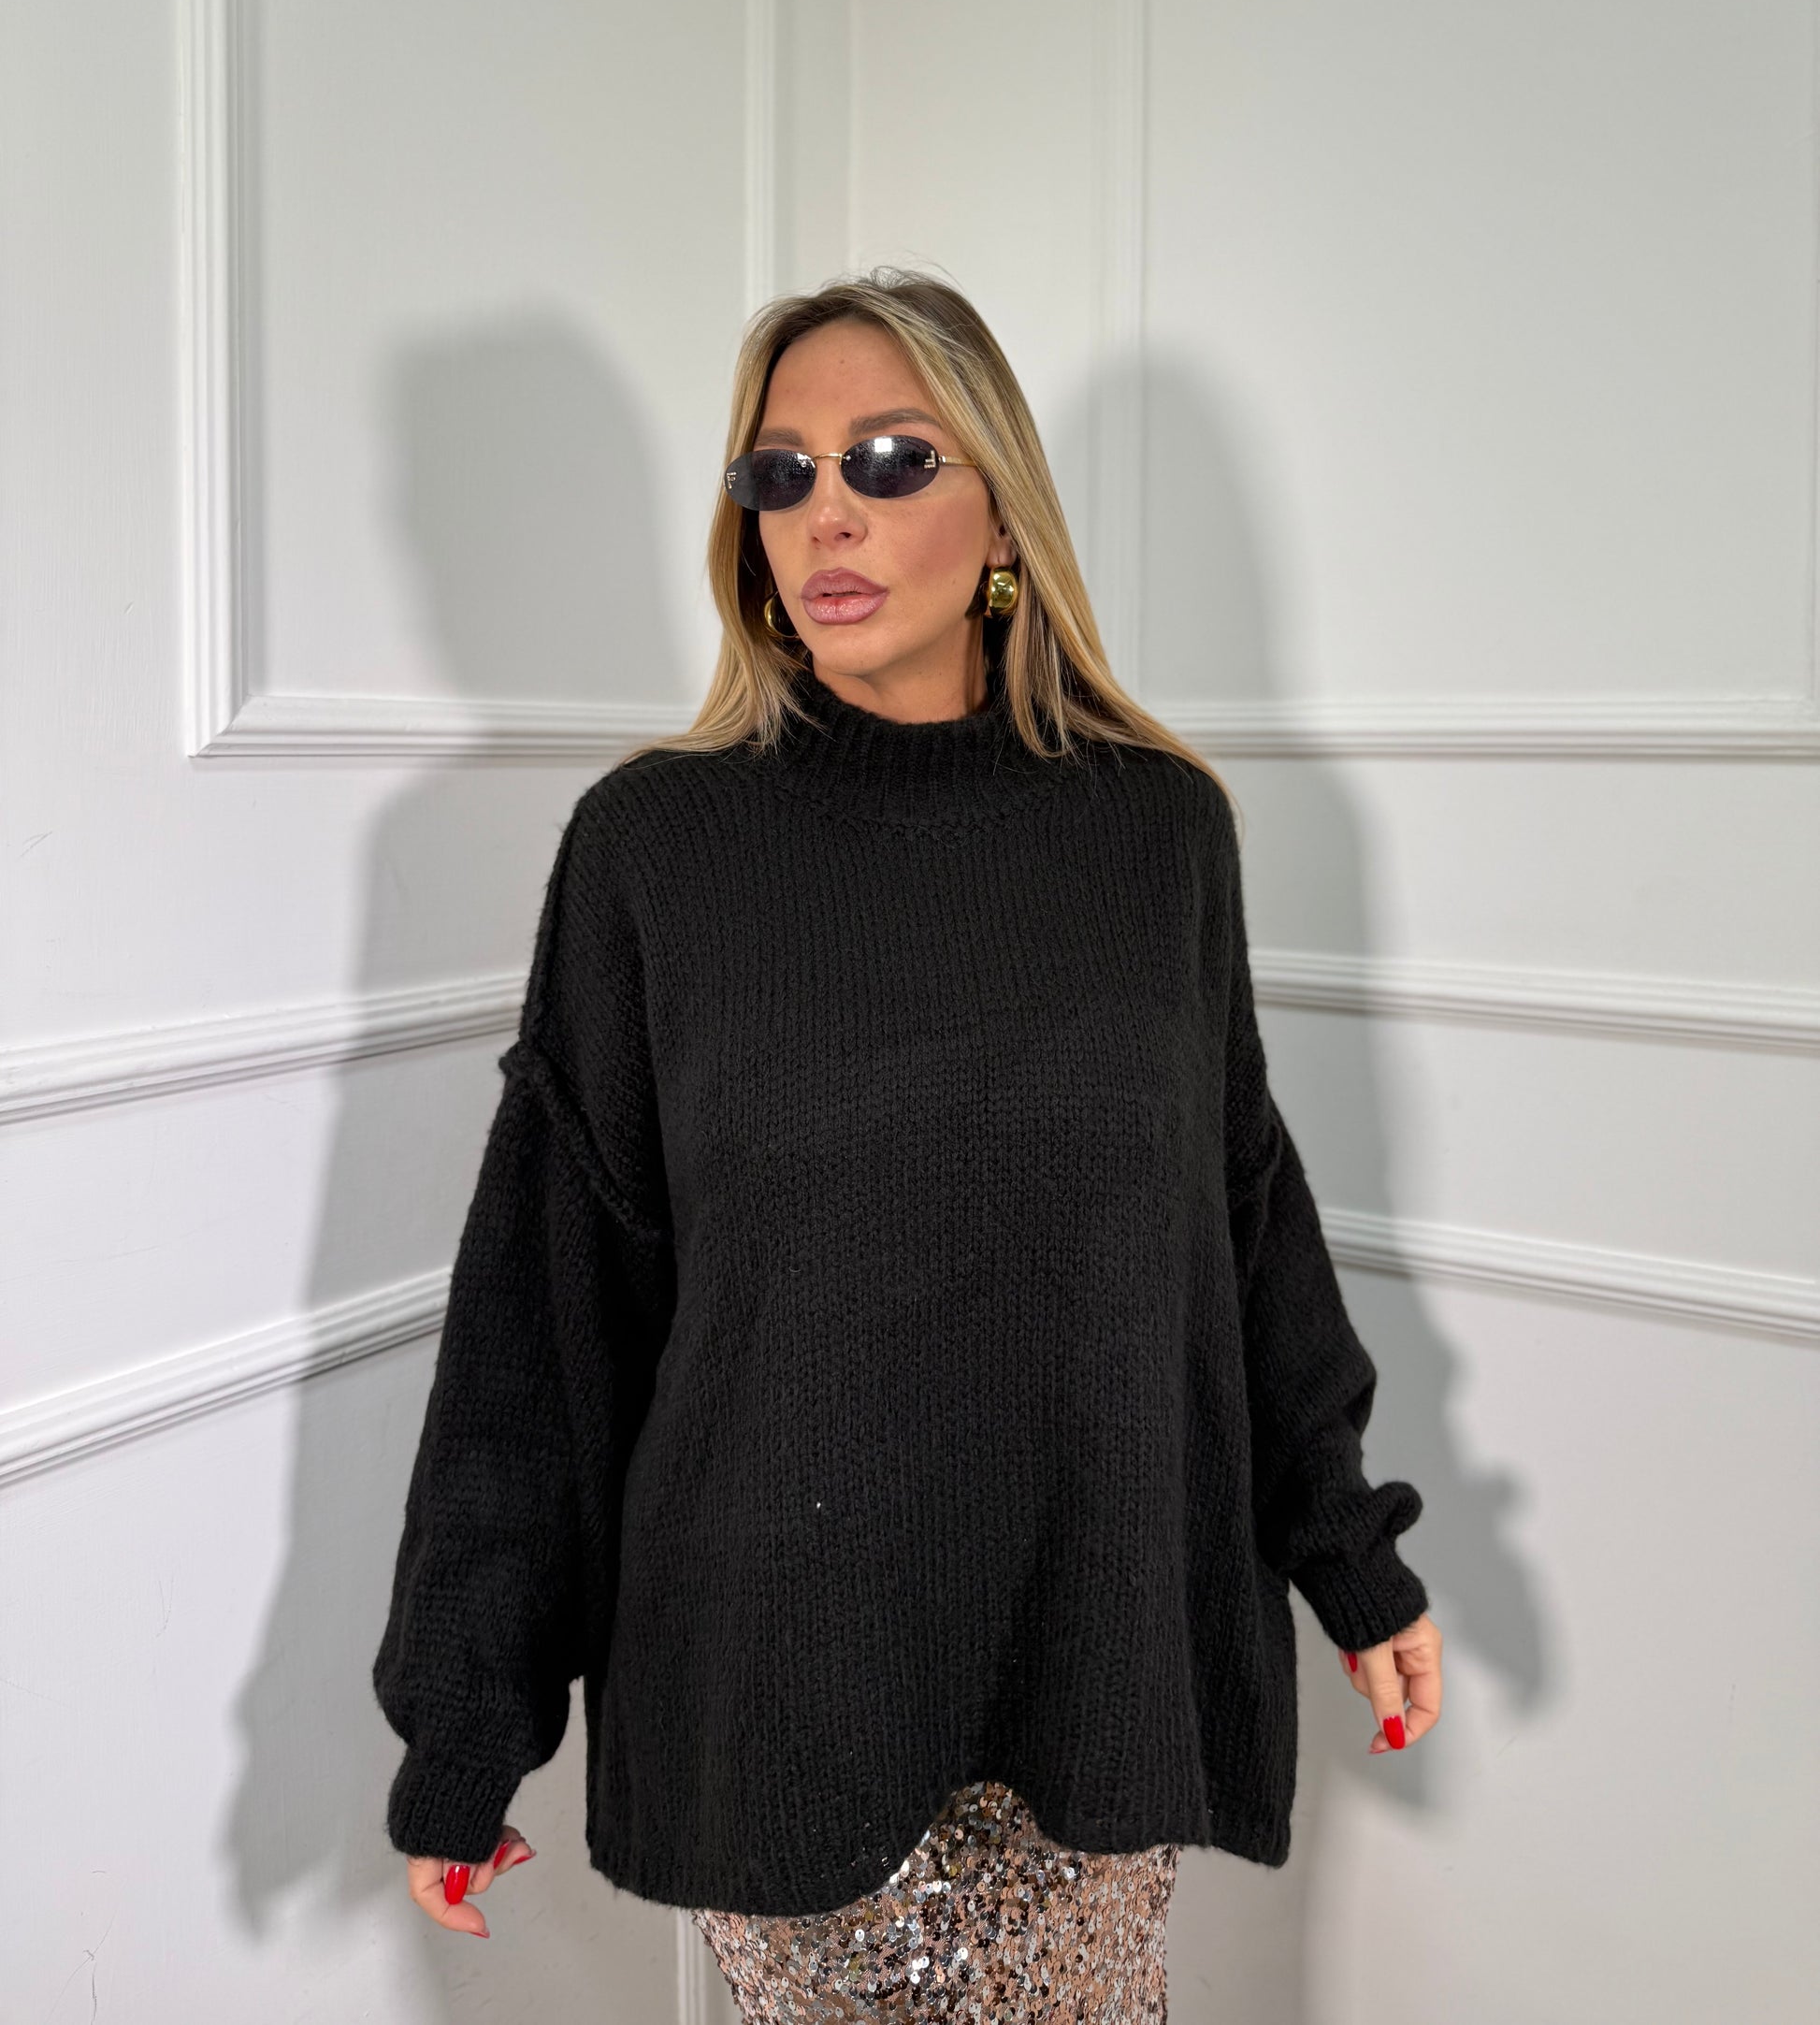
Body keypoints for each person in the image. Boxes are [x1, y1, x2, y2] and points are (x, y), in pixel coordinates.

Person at [372, 269, 1443, 2017]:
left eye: (886, 457)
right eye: (777, 473)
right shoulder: (657, 849)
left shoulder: (1156, 835)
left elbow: (1238, 1221)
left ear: (1003, 513)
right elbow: (546, 1314)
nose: (827, 513)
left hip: (1094, 1667)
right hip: (786, 1684)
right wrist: (468, 1717)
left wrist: (1349, 1552)